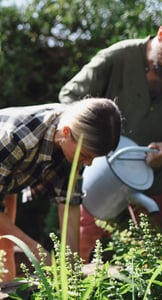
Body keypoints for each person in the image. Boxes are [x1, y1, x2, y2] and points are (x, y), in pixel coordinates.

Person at [0, 98, 122, 285]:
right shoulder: (17, 138)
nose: (89, 163)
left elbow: (69, 204)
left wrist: (72, 267)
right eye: (85, 156)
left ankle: (1, 293)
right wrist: (39, 253)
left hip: (10, 169)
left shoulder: (75, 134)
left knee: (4, 247)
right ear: (66, 133)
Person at [59, 26, 162, 261]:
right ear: (161, 34)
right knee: (81, 245)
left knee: (153, 255)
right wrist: (96, 144)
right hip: (100, 175)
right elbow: (68, 99)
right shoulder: (117, 58)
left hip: (155, 180)